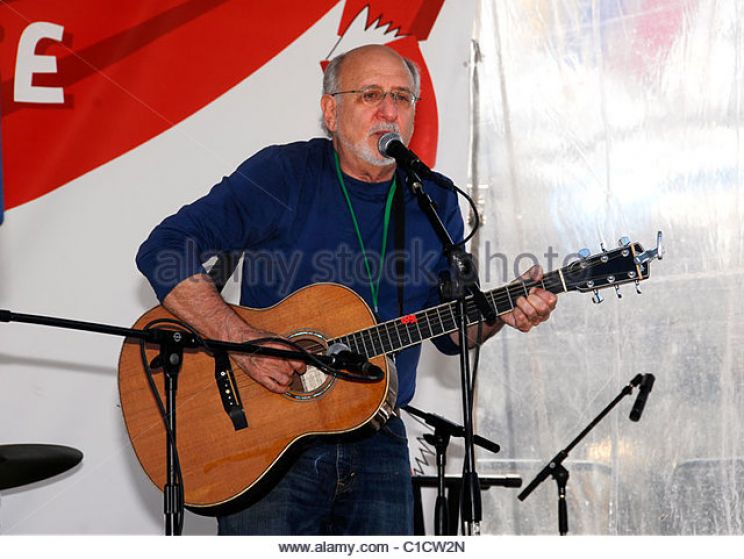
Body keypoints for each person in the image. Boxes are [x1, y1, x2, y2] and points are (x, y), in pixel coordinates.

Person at [136, 44, 557, 535]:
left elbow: (451, 334)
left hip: (377, 437)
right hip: (268, 440)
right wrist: (245, 344)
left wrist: (500, 313)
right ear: (331, 111)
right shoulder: (284, 174)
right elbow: (163, 250)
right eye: (370, 95)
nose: (389, 111)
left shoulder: (434, 197)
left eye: (402, 97)